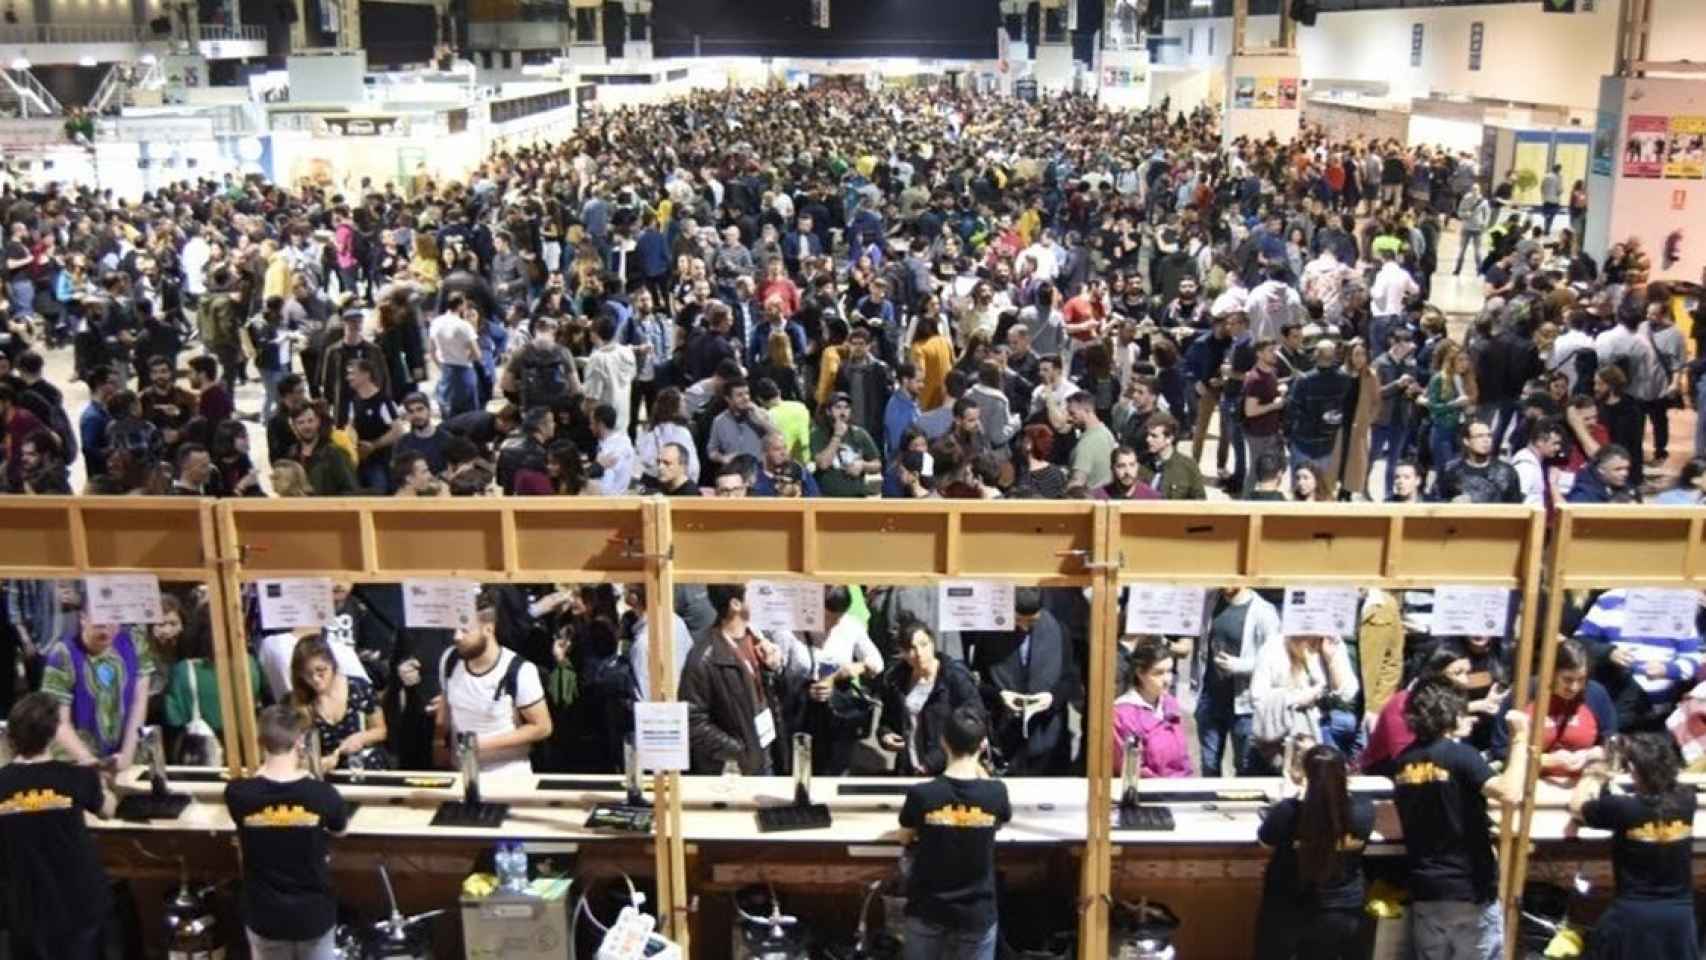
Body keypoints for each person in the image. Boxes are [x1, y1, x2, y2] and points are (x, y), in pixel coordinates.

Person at [1391, 683, 1531, 960]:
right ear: (1450, 715)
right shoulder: (1460, 755)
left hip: (1426, 889)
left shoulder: (1402, 762)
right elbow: (1509, 792)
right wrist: (1520, 741)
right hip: (1469, 888)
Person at [224, 705, 349, 960]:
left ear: (261, 742)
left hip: (265, 915)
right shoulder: (322, 795)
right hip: (312, 915)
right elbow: (340, 830)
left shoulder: (238, 795)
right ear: (300, 742)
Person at [0, 693, 118, 960]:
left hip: (25, 908)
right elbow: (108, 810)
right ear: (52, 734)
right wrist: (102, 781)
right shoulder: (76, 777)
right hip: (79, 904)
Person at [1568, 732, 1698, 960]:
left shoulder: (1623, 808)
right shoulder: (1687, 801)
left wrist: (1594, 772)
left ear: (1635, 770)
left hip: (1632, 916)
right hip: (1679, 918)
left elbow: (1578, 807)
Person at [898, 706, 1010, 960]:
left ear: (943, 742)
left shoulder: (921, 795)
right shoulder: (996, 793)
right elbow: (1001, 819)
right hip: (977, 912)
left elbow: (904, 836)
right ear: (983, 745)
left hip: (927, 908)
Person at [1254, 745, 1373, 960]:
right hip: (1345, 910)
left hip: (1292, 911)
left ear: (1305, 774)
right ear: (1344, 773)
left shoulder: (1288, 812)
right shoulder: (1363, 810)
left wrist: (1291, 796)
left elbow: (1265, 841)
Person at [679, 584, 801, 774]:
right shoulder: (704, 657)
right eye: (756, 593)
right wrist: (739, 751)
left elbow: (771, 700)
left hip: (768, 757)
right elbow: (692, 722)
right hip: (738, 769)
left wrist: (772, 669)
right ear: (735, 604)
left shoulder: (757, 641)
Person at [433, 590, 552, 779]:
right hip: (461, 774)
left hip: (508, 776)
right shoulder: (449, 660)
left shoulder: (519, 671)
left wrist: (481, 744)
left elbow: (542, 727)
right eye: (454, 629)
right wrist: (439, 741)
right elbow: (447, 703)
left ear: (488, 629)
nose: (457, 636)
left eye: (465, 629)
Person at [42, 613, 153, 768]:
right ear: (83, 619)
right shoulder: (63, 654)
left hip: (127, 748)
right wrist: (90, 761)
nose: (106, 631)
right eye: (99, 625)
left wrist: (127, 756)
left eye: (112, 623)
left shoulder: (135, 642)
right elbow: (59, 721)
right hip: (76, 754)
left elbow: (139, 702)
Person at [1192, 587, 1281, 776]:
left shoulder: (1264, 611)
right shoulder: (1209, 601)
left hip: (1244, 705)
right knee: (1209, 764)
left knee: (1244, 765)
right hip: (1210, 698)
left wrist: (1239, 665)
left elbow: (1275, 659)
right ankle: (1210, 803)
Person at [880, 623, 985, 776]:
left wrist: (932, 762)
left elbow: (973, 721)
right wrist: (885, 735)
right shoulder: (897, 680)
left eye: (924, 645)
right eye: (911, 648)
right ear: (903, 652)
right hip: (909, 767)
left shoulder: (954, 677)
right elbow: (887, 720)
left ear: (933, 644)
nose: (919, 653)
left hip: (949, 769)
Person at [1358, 649, 1472, 776]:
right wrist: (1451, 735)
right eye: (1458, 673)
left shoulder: (1453, 702)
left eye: (1467, 673)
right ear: (1434, 674)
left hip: (1434, 765)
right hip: (1389, 769)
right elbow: (1404, 757)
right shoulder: (1402, 703)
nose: (1465, 681)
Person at [289, 636, 387, 770]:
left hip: (366, 766)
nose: (315, 679)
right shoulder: (300, 702)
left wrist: (361, 738)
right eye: (307, 674)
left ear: (332, 665)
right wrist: (318, 764)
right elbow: (295, 755)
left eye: (321, 671)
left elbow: (381, 731)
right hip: (328, 773)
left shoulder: (359, 687)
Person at [1111, 637, 1192, 778]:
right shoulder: (1123, 715)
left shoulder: (1169, 703)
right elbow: (1132, 769)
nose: (1167, 680)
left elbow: (1183, 758)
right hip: (1151, 792)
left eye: (1170, 671)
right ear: (1140, 673)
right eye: (1159, 673)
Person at [1137, 413, 1206, 500]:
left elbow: (1200, 502)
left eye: (1154, 436)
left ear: (1169, 439)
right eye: (1148, 435)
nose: (1148, 439)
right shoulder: (1141, 463)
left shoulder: (1188, 466)